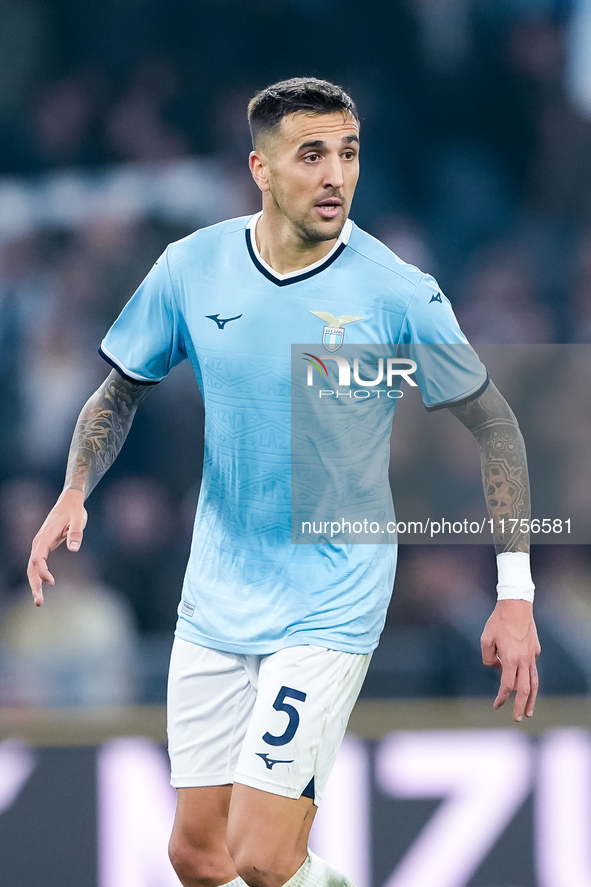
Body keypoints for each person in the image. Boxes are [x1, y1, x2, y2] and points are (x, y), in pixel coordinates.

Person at [28, 78, 541, 887]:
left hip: (330, 596)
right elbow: (121, 388)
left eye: (348, 153)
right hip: (218, 588)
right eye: (312, 155)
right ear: (260, 170)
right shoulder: (191, 268)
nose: (336, 174)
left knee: (263, 856)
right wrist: (74, 486)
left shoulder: (395, 289)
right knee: (197, 857)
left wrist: (515, 594)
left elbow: (497, 426)